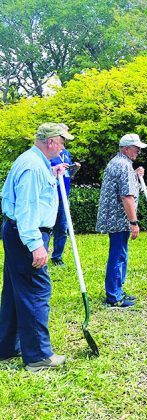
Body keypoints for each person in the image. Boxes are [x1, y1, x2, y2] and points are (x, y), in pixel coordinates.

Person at [0, 122, 73, 371]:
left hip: (16, 231)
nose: (63, 147)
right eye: (62, 142)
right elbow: (27, 208)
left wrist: (52, 175)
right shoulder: (33, 167)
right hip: (27, 234)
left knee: (14, 291)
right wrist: (35, 245)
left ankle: (7, 347)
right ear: (51, 141)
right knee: (36, 291)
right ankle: (39, 356)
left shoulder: (34, 162)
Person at [96, 133, 147, 308]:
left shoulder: (119, 163)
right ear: (126, 149)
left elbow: (123, 184)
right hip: (118, 219)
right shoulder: (123, 165)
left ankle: (117, 290)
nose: (138, 151)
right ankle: (114, 296)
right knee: (118, 256)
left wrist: (134, 174)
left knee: (120, 254)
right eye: (136, 148)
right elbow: (126, 196)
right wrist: (133, 222)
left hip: (114, 218)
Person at [49, 123, 81, 266]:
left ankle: (57, 257)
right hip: (51, 195)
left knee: (62, 227)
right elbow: (45, 170)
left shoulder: (65, 153)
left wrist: (75, 169)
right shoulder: (49, 152)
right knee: (47, 226)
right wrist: (55, 168)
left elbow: (69, 175)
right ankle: (40, 254)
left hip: (64, 196)